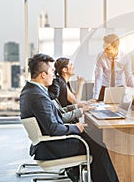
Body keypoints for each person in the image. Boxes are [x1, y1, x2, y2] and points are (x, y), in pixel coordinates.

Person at [20, 53, 118, 182]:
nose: (54, 75)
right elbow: (54, 128)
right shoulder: (38, 96)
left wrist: (79, 115)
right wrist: (76, 128)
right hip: (51, 146)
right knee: (99, 145)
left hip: (48, 143)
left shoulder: (31, 91)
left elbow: (56, 115)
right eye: (52, 71)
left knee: (95, 138)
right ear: (43, 75)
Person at [93, 34, 134, 101]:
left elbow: (129, 76)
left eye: (108, 49)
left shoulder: (125, 57)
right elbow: (98, 77)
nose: (105, 51)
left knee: (119, 109)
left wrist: (133, 93)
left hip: (119, 88)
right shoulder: (101, 56)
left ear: (116, 47)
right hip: (104, 88)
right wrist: (95, 97)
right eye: (104, 48)